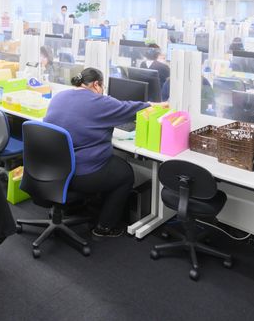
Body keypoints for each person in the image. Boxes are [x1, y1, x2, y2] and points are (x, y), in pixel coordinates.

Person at [43, 68, 167, 238]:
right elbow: (131, 108)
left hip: (52, 169)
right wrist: (157, 105)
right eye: (102, 87)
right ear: (96, 84)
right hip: (80, 174)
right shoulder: (100, 102)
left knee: (111, 165)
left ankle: (77, 206)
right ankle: (104, 227)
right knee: (125, 173)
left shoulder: (59, 96)